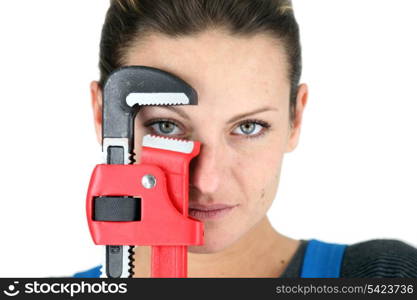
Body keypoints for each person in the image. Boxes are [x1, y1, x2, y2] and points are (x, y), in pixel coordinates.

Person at [76, 0, 417, 278]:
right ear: (103, 117)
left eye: (249, 127)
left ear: (294, 118)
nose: (207, 181)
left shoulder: (388, 278)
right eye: (166, 127)